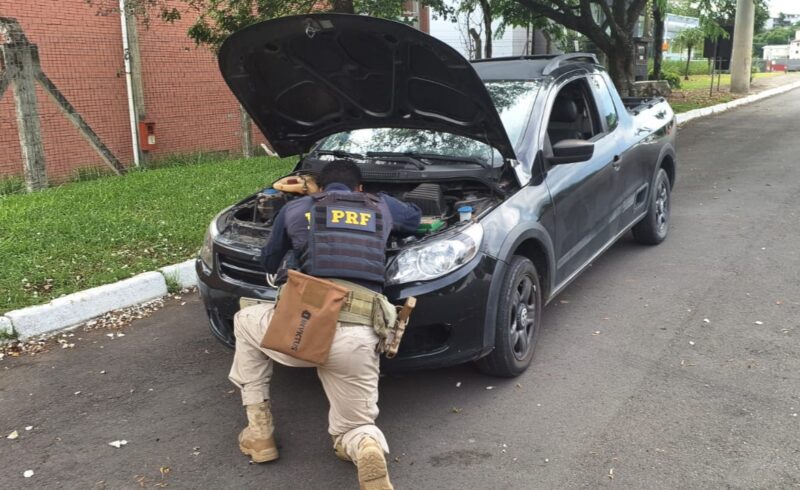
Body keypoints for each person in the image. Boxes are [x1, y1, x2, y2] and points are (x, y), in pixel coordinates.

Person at [228, 160, 421, 490]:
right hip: (359, 334)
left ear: (317, 187)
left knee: (244, 319)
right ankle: (364, 445)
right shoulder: (381, 205)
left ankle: (260, 433)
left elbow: (269, 260)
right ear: (360, 188)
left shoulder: (296, 208)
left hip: (301, 332)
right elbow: (414, 218)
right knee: (356, 423)